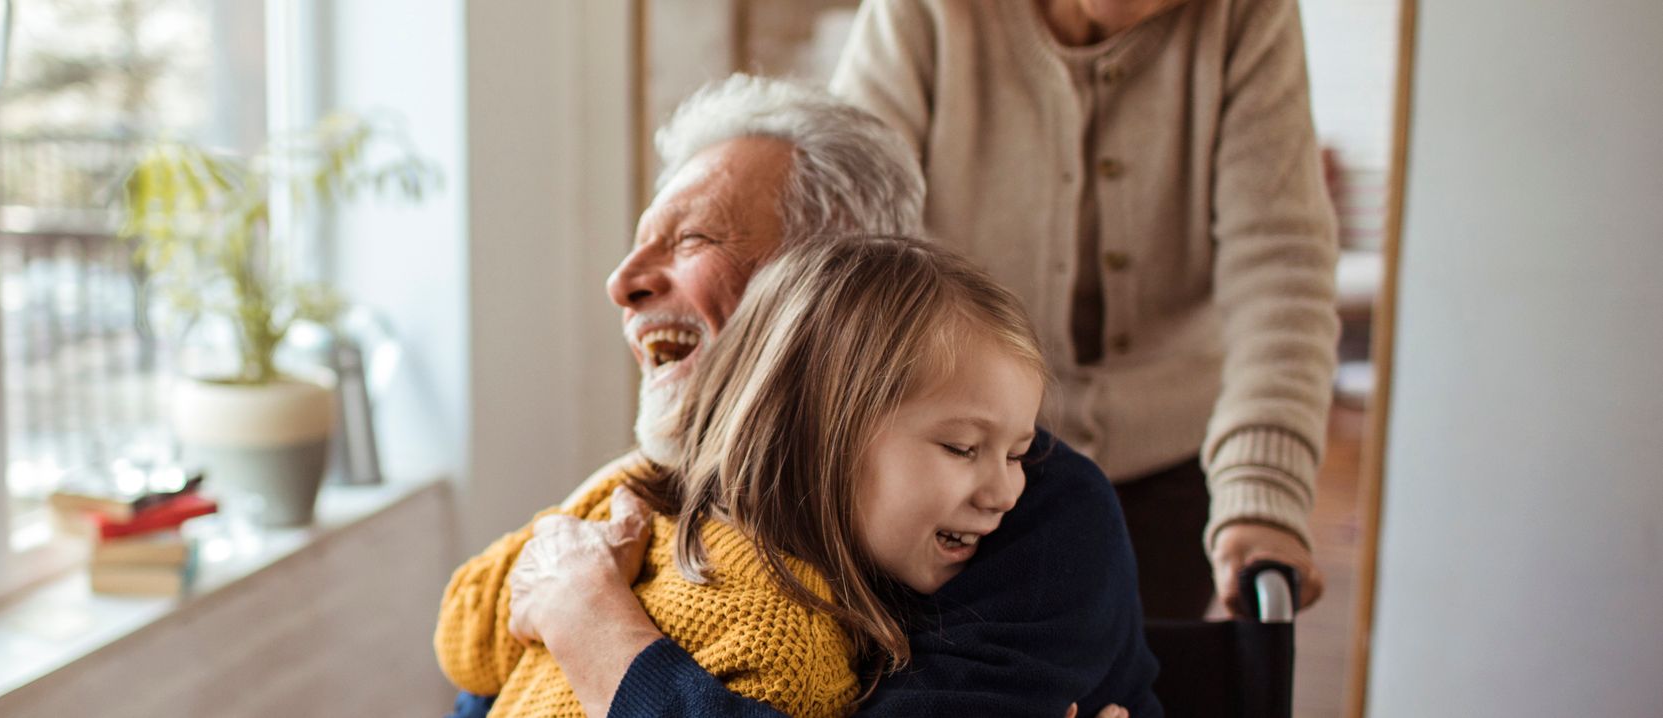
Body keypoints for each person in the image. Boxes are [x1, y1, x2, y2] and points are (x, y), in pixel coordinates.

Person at [449, 76, 1156, 718]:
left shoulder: (1038, 513)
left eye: (691, 239)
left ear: (835, 291)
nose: (621, 281)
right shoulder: (654, 500)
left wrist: (593, 627)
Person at [828, 0, 1341, 619]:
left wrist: (1263, 495)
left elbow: (1280, 266)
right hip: (955, 453)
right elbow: (847, 240)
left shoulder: (1248, 15)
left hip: (1168, 461)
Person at [438, 236, 1057, 717]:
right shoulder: (788, 648)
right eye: (961, 447)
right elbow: (465, 644)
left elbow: (461, 642)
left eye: (1016, 454)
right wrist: (563, 574)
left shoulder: (636, 502)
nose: (1004, 494)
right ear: (818, 432)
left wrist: (558, 575)